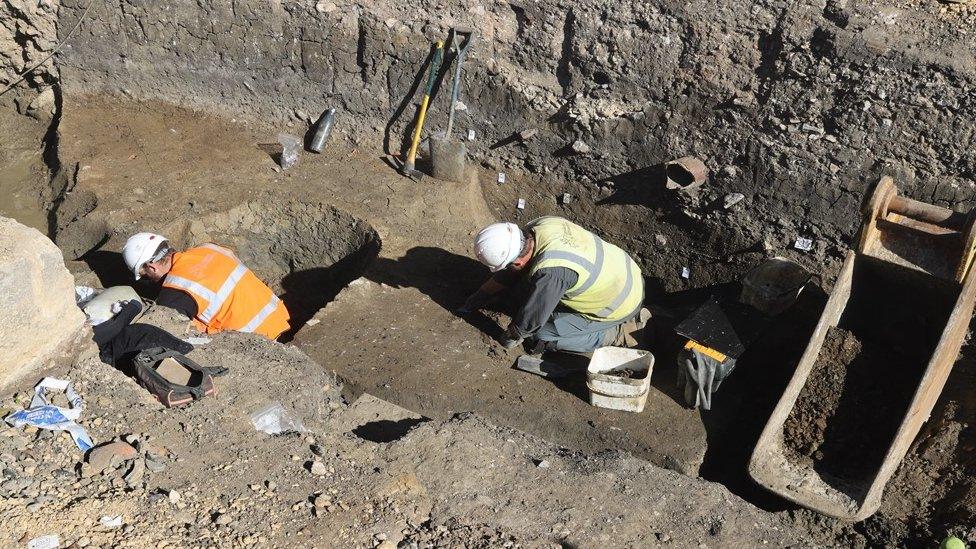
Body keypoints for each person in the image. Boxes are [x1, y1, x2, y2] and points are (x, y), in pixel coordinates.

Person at [461, 216, 650, 354]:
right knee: (525, 292)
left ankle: (617, 334)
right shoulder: (538, 225)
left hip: (620, 303)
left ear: (516, 262)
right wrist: (477, 298)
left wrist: (509, 338)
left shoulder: (551, 272)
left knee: (540, 335)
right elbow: (509, 274)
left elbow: (528, 324)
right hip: (624, 272)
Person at [121, 233, 291, 340]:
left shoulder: (175, 293)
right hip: (280, 318)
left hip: (262, 342)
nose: (150, 281)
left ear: (152, 267)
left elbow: (166, 335)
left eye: (145, 276)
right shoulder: (207, 249)